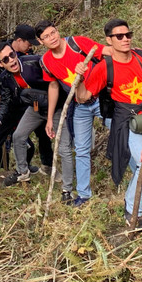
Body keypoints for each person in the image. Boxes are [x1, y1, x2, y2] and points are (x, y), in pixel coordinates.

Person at [82, 19, 142, 225]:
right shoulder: (104, 67)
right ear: (108, 40)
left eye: (128, 35)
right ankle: (132, 211)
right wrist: (79, 78)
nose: (125, 39)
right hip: (124, 121)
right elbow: (83, 97)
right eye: (119, 36)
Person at [36, 20, 105, 205]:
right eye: (46, 37)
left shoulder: (76, 43)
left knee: (123, 135)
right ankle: (83, 195)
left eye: (53, 32)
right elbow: (53, 86)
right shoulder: (46, 62)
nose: (52, 38)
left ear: (57, 31)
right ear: (41, 41)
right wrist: (49, 119)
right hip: (79, 105)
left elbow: (105, 52)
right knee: (81, 150)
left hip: (101, 98)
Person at [0, 41, 46, 184]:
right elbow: (4, 100)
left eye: (12, 55)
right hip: (12, 109)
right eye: (6, 59)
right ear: (0, 63)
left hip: (39, 104)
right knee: (6, 137)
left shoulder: (33, 61)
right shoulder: (4, 77)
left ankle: (45, 166)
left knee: (41, 135)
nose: (11, 60)